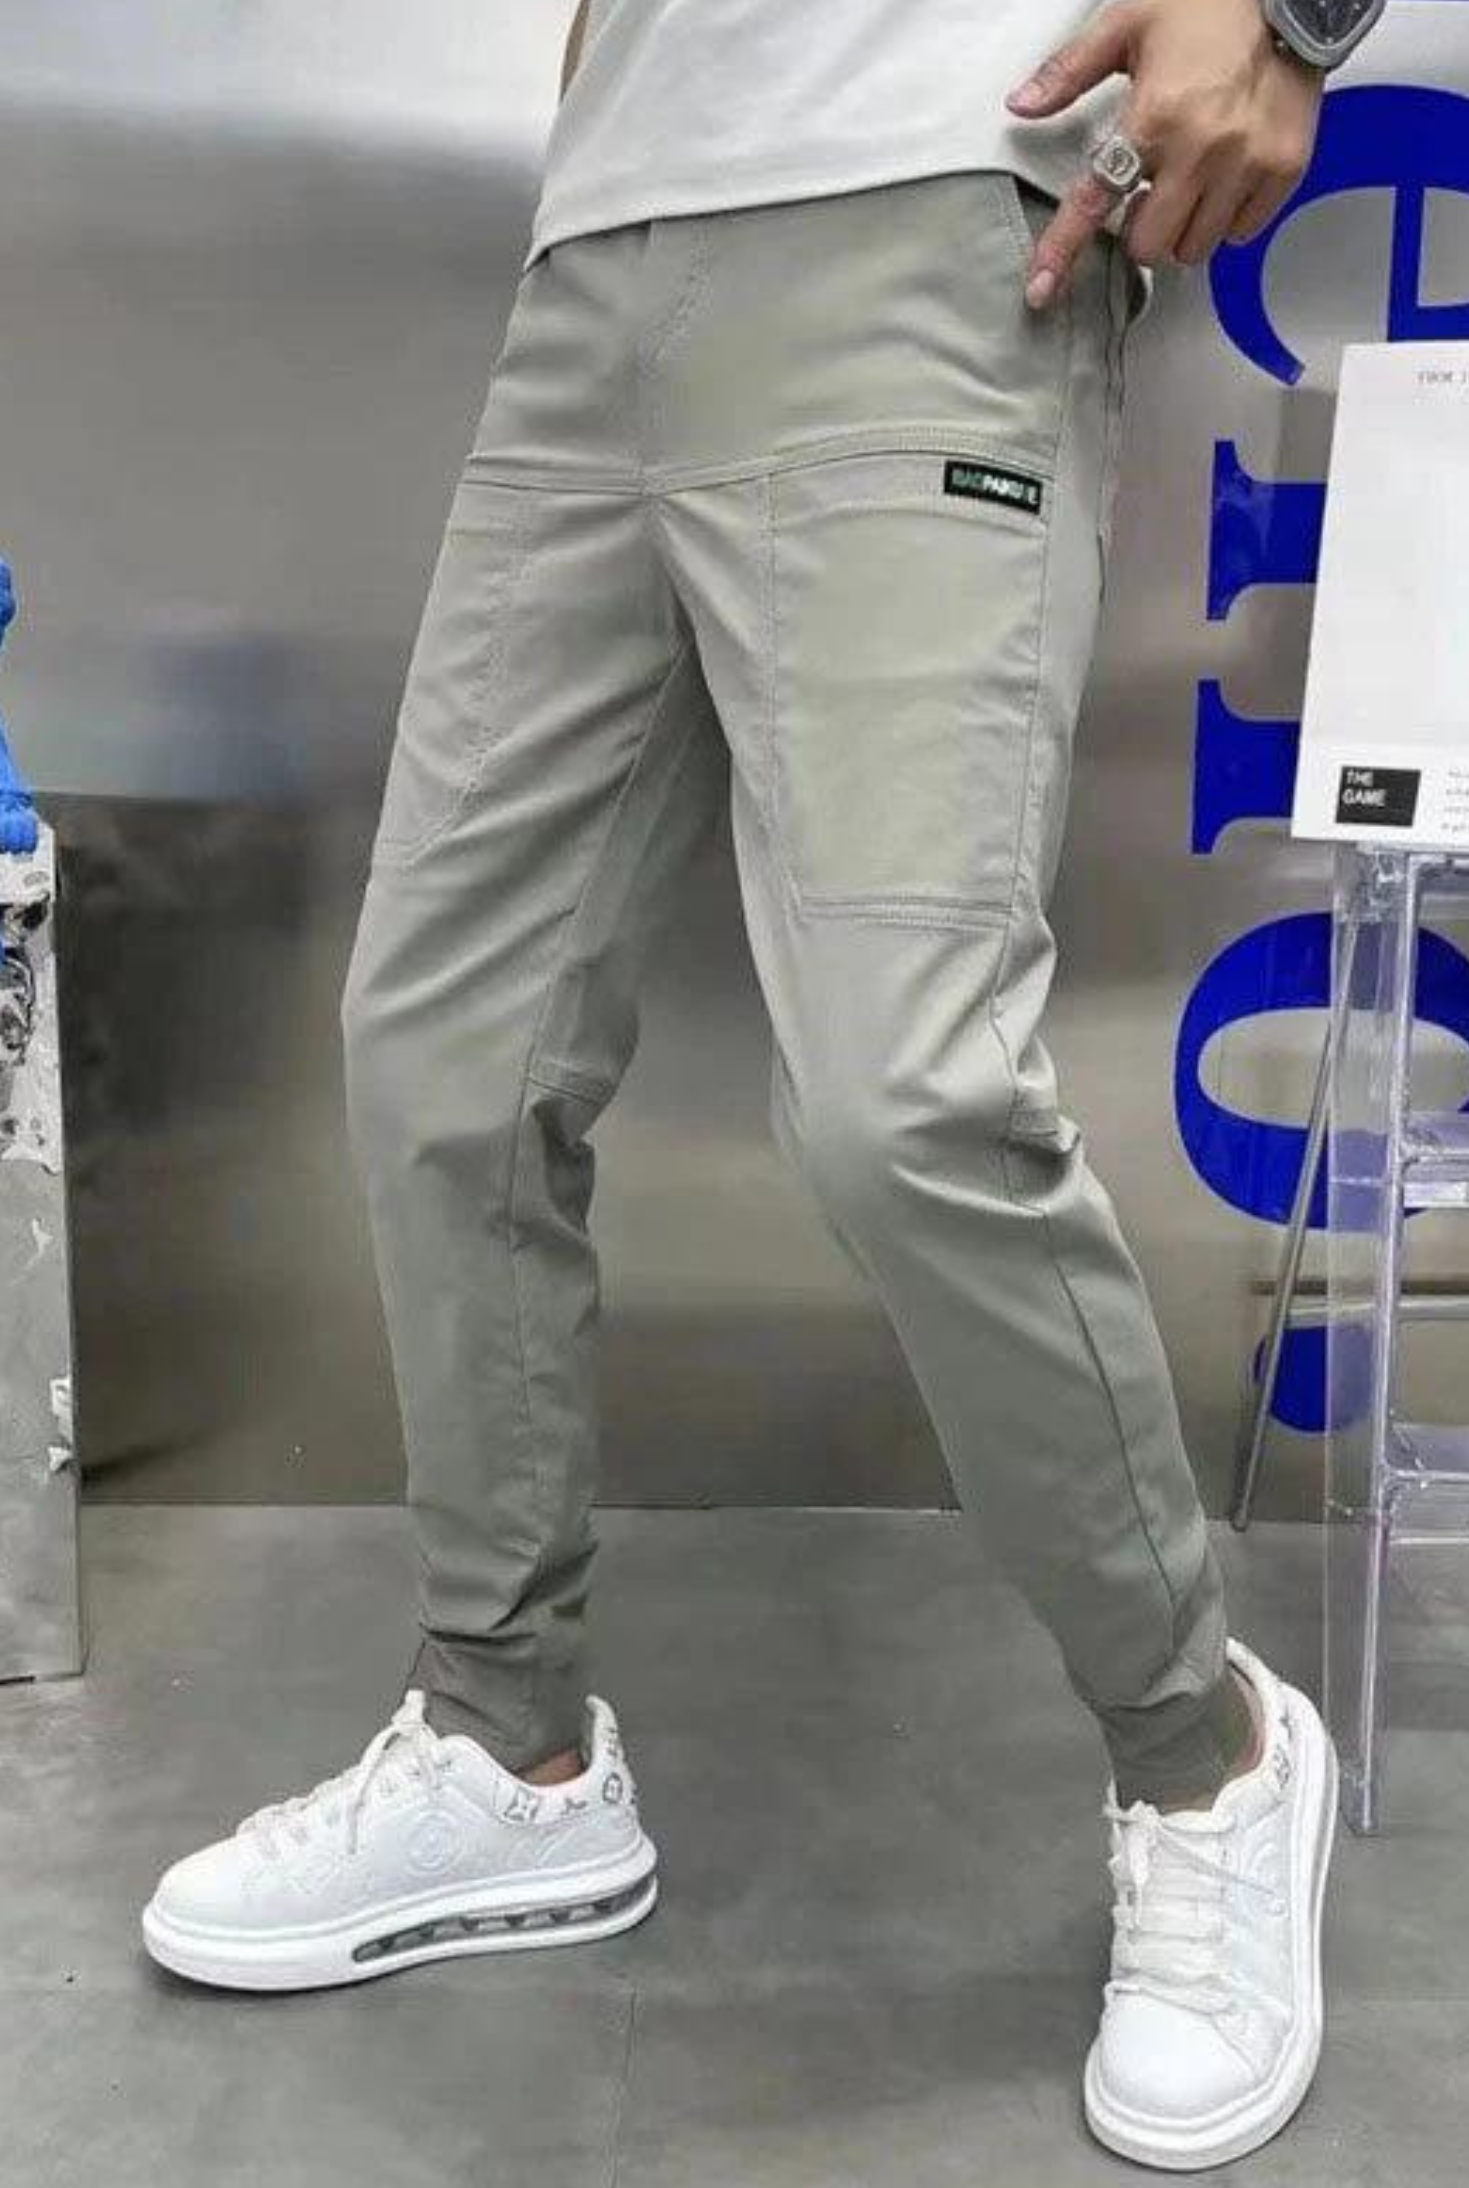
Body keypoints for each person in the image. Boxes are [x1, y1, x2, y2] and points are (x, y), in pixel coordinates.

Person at [143, 0, 1381, 2166]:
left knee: (907, 1101)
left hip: (937, 209)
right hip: (600, 259)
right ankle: (508, 1742)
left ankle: (1208, 1756)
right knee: (444, 1054)